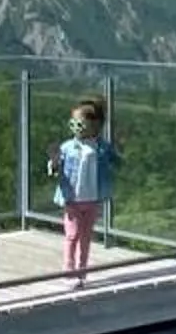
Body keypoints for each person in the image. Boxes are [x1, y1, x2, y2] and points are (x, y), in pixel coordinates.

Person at [46, 93, 122, 281]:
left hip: (92, 198)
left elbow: (116, 162)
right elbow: (55, 167)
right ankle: (68, 270)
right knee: (72, 235)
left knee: (86, 237)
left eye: (79, 123)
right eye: (73, 123)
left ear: (94, 125)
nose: (75, 127)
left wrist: (120, 150)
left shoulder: (102, 148)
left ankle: (82, 270)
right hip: (72, 199)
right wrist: (54, 163)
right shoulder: (67, 147)